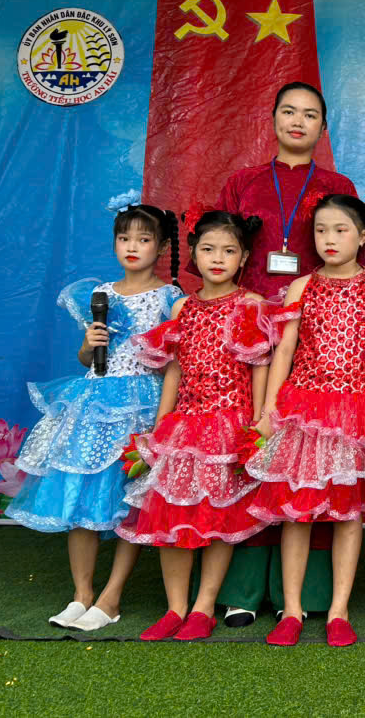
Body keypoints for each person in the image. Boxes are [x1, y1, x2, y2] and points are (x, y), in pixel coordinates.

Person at [213, 81, 365, 626]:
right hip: (250, 326)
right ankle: (242, 589)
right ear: (273, 119)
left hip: (316, 337)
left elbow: (361, 267)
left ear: (323, 128)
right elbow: (220, 248)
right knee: (255, 452)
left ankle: (307, 595)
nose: (298, 121)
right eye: (289, 111)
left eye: (310, 114)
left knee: (314, 467)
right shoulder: (242, 183)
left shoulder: (336, 186)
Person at [8, 195, 182, 632]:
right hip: (93, 400)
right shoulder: (100, 293)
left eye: (144, 239)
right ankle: (81, 593)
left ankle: (111, 596)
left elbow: (175, 362)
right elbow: (86, 359)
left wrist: (162, 420)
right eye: (124, 238)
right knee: (80, 492)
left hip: (142, 403)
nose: (132, 247)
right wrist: (89, 344)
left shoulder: (170, 297)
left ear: (162, 247)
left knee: (130, 499)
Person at [245, 194, 365, 647]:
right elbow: (284, 352)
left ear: (363, 236)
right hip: (304, 409)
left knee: (347, 513)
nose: (329, 239)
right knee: (297, 511)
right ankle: (291, 610)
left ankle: (338, 610)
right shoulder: (301, 288)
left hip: (356, 410)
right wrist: (269, 410)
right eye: (321, 230)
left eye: (340, 230)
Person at [118, 209, 272, 641]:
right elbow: (174, 368)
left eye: (228, 251)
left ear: (244, 258)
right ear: (193, 254)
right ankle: (175, 608)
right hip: (183, 426)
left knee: (218, 517)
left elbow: (260, 366)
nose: (217, 259)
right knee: (172, 515)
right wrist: (161, 424)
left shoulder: (251, 305)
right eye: (208, 249)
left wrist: (257, 423)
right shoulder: (182, 306)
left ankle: (204, 606)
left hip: (229, 423)